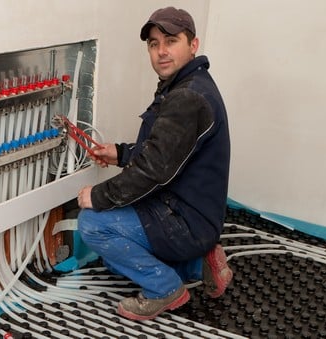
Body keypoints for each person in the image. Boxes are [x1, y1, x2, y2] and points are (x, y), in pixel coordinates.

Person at [76, 6, 233, 321]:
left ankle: (165, 289)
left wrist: (97, 196)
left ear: (193, 45)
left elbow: (154, 170)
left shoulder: (188, 98)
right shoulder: (187, 85)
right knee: (117, 258)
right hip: (191, 211)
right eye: (153, 43)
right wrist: (120, 153)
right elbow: (166, 151)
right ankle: (197, 263)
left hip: (185, 219)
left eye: (171, 41)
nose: (161, 51)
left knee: (93, 226)